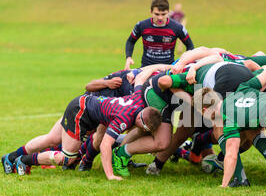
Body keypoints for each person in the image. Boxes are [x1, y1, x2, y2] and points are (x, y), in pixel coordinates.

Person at [2, 71, 162, 181]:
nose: (141, 130)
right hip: (81, 112)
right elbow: (106, 145)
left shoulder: (139, 100)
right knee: (68, 158)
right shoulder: (125, 118)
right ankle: (23, 160)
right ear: (141, 121)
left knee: (52, 139)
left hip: (82, 103)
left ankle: (10, 158)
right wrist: (110, 175)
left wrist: (161, 67)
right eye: (144, 128)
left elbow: (140, 78)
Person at [124, 0, 194, 70]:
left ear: (169, 12)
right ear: (151, 12)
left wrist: (184, 61)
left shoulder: (177, 27)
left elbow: (190, 46)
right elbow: (131, 41)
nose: (160, 18)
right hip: (145, 68)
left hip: (167, 70)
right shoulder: (142, 25)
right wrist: (128, 57)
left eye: (163, 14)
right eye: (157, 14)